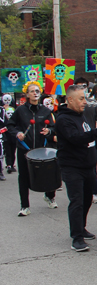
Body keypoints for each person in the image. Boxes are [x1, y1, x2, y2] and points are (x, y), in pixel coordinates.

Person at [56, 84, 97, 252]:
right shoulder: (63, 119)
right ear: (70, 100)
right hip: (72, 166)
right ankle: (77, 238)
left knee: (87, 199)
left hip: (88, 165)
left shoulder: (81, 116)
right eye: (81, 99)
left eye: (85, 98)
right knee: (77, 201)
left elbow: (87, 139)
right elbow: (76, 138)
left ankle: (81, 227)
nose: (85, 102)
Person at [7, 81, 57, 216]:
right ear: (27, 94)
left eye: (37, 91)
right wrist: (18, 133)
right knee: (23, 177)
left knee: (48, 174)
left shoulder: (46, 111)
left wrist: (49, 131)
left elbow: (53, 128)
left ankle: (49, 196)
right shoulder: (20, 110)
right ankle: (24, 206)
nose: (35, 93)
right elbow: (10, 126)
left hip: (42, 149)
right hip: (25, 149)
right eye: (33, 91)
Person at [74, 77, 97, 204]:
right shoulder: (70, 104)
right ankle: (79, 192)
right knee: (77, 167)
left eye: (84, 86)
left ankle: (93, 192)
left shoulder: (93, 103)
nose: (82, 89)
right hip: (76, 138)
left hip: (91, 138)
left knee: (92, 166)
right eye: (79, 86)